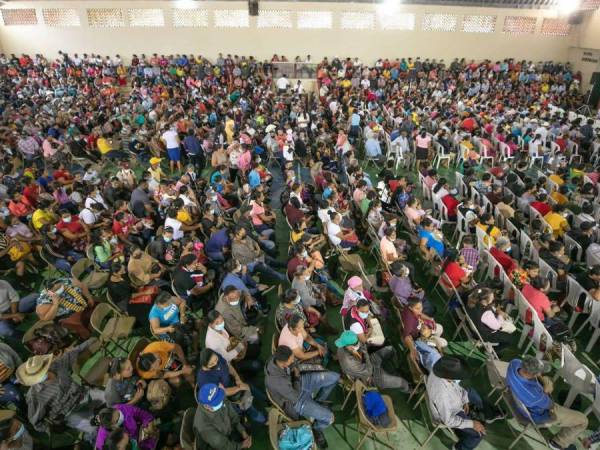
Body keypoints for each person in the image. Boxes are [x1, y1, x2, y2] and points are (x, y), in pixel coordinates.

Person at [17, 339, 105, 442]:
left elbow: (76, 351)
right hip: (68, 414)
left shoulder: (57, 365)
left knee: (109, 398)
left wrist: (94, 340)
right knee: (95, 429)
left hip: (84, 394)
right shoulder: (34, 395)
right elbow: (36, 422)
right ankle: (91, 437)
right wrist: (51, 428)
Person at [506, 356, 588, 450]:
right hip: (539, 414)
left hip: (515, 397)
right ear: (533, 374)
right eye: (539, 372)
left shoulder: (514, 363)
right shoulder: (535, 396)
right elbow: (550, 405)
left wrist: (540, 378)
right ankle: (558, 443)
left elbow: (532, 374)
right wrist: (546, 390)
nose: (541, 373)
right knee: (583, 421)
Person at [265, 346, 338, 448]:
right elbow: (295, 397)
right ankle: (316, 428)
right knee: (330, 418)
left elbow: (294, 365)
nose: (293, 360)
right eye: (291, 359)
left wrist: (295, 371)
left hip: (298, 382)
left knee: (335, 377)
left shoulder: (277, 358)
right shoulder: (277, 381)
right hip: (296, 401)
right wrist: (297, 377)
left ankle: (318, 401)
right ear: (284, 363)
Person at [427, 356, 503, 450]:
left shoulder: (440, 370)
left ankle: (485, 414)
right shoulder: (441, 393)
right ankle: (459, 448)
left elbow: (456, 387)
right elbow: (448, 420)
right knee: (478, 434)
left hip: (454, 401)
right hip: (452, 412)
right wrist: (472, 424)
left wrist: (465, 400)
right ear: (450, 376)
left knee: (470, 391)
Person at [196, 348, 265, 424]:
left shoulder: (214, 356)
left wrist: (237, 378)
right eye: (211, 364)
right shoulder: (205, 379)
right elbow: (223, 392)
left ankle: (266, 399)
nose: (216, 363)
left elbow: (228, 366)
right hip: (222, 397)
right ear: (205, 365)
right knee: (246, 403)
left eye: (216, 360)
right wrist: (239, 388)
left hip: (230, 382)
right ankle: (263, 420)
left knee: (249, 386)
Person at [335, 330, 409, 392]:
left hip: (365, 364)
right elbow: (369, 372)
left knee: (390, 349)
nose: (358, 343)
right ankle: (409, 390)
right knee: (403, 382)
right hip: (369, 377)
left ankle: (396, 368)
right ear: (350, 347)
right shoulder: (350, 363)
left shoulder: (342, 346)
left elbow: (361, 346)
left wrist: (364, 346)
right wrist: (365, 353)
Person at [194, 383, 253, 450]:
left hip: (227, 430)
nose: (221, 402)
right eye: (217, 402)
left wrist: (243, 431)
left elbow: (233, 415)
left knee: (247, 428)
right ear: (206, 406)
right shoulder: (203, 425)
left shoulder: (219, 397)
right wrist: (241, 445)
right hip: (215, 446)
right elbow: (222, 445)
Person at [205, 310, 261, 376]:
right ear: (210, 324)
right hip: (230, 363)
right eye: (217, 323)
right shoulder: (213, 342)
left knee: (256, 349)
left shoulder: (218, 328)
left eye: (222, 320)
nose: (221, 323)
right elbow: (227, 358)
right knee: (257, 365)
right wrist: (240, 346)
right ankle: (244, 373)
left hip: (235, 351)